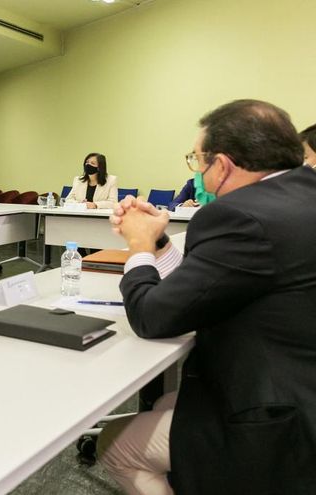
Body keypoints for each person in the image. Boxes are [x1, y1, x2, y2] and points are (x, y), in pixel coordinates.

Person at [100, 99, 316, 494]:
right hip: (299, 377)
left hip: (284, 421)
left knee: (116, 444)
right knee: (167, 404)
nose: (198, 172)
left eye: (198, 160)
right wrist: (159, 241)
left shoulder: (240, 214)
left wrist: (138, 246)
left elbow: (153, 318)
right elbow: (211, 283)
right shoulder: (300, 197)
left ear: (224, 165)